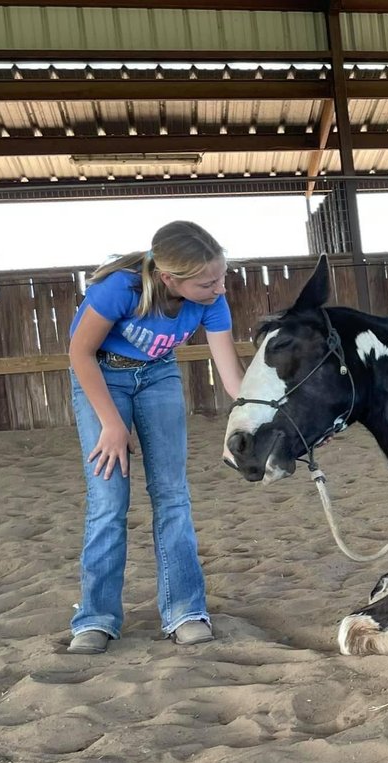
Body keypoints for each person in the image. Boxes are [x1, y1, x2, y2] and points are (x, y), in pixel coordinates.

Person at [66, 220, 245, 654]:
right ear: (169, 278)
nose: (219, 288)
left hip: (159, 377)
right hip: (102, 376)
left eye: (221, 277)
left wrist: (285, 417)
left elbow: (234, 383)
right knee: (109, 501)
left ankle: (185, 610)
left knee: (172, 495)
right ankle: (95, 618)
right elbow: (79, 353)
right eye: (207, 282)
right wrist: (111, 423)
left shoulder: (210, 303)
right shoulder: (120, 289)